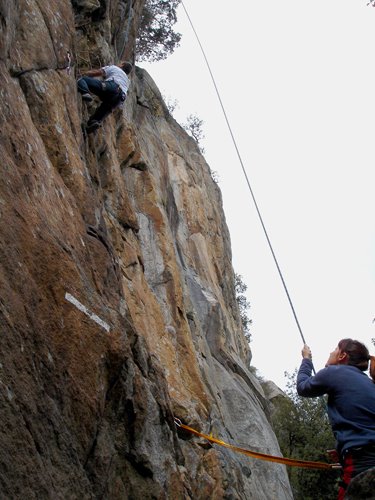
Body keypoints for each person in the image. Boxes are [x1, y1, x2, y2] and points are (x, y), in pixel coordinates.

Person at [297, 339, 375, 499]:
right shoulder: (369, 384)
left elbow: (303, 387)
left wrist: (306, 360)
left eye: (334, 349)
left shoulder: (334, 373)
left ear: (342, 356)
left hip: (361, 462)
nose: (330, 352)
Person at [77, 61, 132, 133]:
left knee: (83, 79)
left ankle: (85, 92)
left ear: (122, 65)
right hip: (120, 99)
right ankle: (93, 123)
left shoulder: (115, 68)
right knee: (97, 118)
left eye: (120, 63)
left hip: (113, 87)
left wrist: (84, 73)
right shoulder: (127, 81)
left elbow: (99, 72)